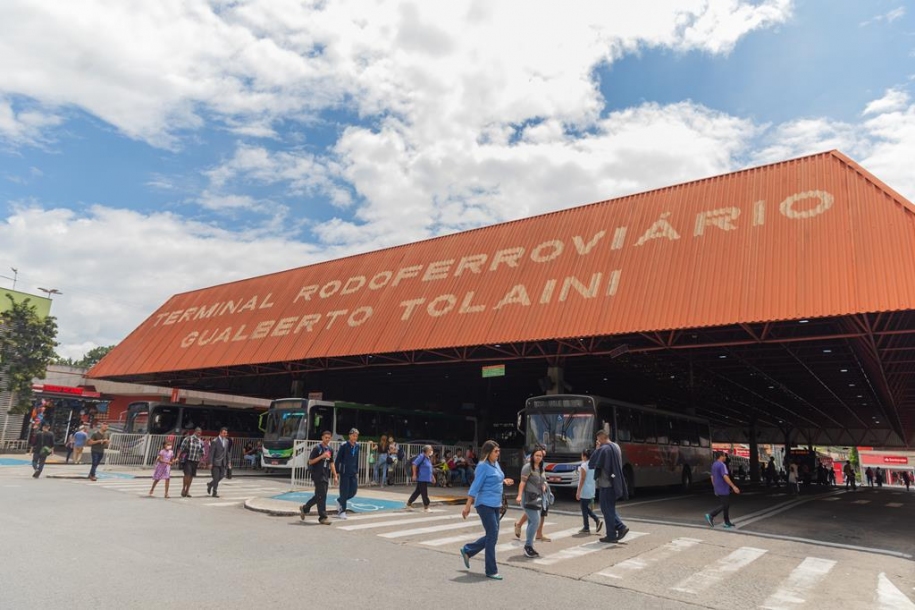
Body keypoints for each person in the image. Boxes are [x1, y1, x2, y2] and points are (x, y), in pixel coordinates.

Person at [460, 440, 515, 580]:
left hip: (496, 504)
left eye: (498, 450)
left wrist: (504, 481)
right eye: (495, 451)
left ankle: (468, 550)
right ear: (488, 452)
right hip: (484, 504)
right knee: (492, 535)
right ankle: (491, 570)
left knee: (493, 535)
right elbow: (475, 486)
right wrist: (467, 506)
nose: (498, 453)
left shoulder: (495, 464)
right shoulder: (483, 466)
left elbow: (494, 479)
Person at [589, 429, 629, 543]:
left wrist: (597, 449)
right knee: (609, 508)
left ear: (601, 438)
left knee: (606, 509)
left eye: (598, 440)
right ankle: (614, 531)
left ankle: (617, 529)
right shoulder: (616, 446)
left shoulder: (604, 449)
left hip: (606, 483)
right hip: (614, 481)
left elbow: (592, 462)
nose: (598, 442)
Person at [516, 446, 549, 558]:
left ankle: (529, 546)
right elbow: (522, 482)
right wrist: (519, 495)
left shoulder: (540, 468)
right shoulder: (527, 467)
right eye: (537, 455)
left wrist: (544, 486)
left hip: (537, 497)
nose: (539, 457)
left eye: (540, 456)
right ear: (532, 456)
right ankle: (528, 546)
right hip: (528, 497)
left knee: (532, 522)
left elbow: (543, 481)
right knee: (536, 521)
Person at [299, 430, 337, 524]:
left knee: (320, 496)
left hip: (325, 475)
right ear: (322, 438)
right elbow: (310, 461)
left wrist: (335, 475)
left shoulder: (330, 450)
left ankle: (305, 508)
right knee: (322, 496)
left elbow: (331, 463)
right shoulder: (317, 448)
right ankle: (323, 517)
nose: (327, 439)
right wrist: (322, 456)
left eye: (329, 438)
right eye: (325, 437)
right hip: (317, 475)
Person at [704, 451, 740, 528]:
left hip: (718, 487)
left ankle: (727, 522)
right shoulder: (722, 465)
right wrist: (733, 486)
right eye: (724, 456)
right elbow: (725, 476)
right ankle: (711, 515)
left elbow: (712, 477)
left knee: (726, 504)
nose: (725, 457)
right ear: (721, 456)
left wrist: (715, 487)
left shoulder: (714, 464)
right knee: (725, 505)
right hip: (723, 487)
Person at [334, 428, 360, 519]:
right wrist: (336, 472)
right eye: (353, 435)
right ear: (349, 436)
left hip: (353, 472)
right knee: (344, 491)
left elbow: (357, 459)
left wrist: (356, 470)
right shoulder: (344, 445)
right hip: (345, 472)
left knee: (353, 491)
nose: (355, 437)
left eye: (356, 436)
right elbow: (338, 459)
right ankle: (342, 511)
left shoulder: (357, 446)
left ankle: (339, 500)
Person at [576, 448, 603, 535]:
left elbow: (582, 479)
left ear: (584, 456)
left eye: (582, 455)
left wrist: (578, 491)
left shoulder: (584, 465)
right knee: (585, 508)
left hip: (585, 490)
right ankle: (587, 526)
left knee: (584, 508)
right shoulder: (593, 464)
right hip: (591, 488)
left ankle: (593, 522)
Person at [406, 444, 434, 512]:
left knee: (417, 492)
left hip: (425, 478)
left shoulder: (427, 457)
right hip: (422, 478)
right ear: (427, 450)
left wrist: (432, 477)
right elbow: (414, 464)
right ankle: (426, 507)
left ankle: (408, 504)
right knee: (424, 493)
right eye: (431, 449)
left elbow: (429, 469)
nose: (432, 450)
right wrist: (414, 475)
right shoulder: (422, 456)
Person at [178, 427, 204, 498]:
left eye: (200, 433)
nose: (199, 434)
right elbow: (181, 448)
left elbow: (202, 451)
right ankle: (183, 489)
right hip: (188, 459)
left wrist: (202, 460)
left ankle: (187, 490)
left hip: (195, 460)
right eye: (198, 433)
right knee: (187, 474)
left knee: (192, 476)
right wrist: (177, 457)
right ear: (195, 432)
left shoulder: (200, 441)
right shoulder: (188, 439)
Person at [207, 427, 230, 498]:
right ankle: (214, 492)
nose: (225, 434)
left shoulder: (226, 441)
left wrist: (229, 461)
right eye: (224, 433)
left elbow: (227, 452)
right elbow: (211, 453)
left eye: (226, 433)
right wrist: (210, 463)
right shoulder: (215, 441)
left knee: (222, 476)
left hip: (223, 462)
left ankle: (210, 484)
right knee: (216, 477)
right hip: (215, 462)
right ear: (220, 433)